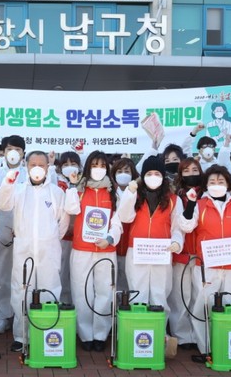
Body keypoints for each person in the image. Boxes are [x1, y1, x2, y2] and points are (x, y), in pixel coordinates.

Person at [179, 164, 231, 362]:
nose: (217, 185)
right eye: (212, 182)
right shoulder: (200, 205)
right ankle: (206, 349)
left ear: (229, 185)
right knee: (202, 306)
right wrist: (190, 204)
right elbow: (186, 226)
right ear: (206, 185)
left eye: (221, 182)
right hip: (207, 267)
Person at [0, 150, 69, 352]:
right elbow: (1, 203)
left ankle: (46, 332)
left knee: (50, 288)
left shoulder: (56, 192)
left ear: (48, 167)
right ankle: (22, 335)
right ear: (26, 166)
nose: (37, 168)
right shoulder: (18, 190)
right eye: (33, 164)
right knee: (21, 291)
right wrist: (7, 183)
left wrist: (49, 238)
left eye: (42, 164)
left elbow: (63, 222)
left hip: (49, 249)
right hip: (24, 248)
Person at [65, 150, 122, 352]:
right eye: (94, 165)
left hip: (106, 250)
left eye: (102, 166)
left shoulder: (113, 192)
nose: (98, 170)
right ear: (87, 167)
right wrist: (73, 185)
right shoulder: (79, 190)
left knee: (105, 291)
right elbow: (71, 209)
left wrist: (109, 238)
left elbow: (118, 221)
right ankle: (85, 334)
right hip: (82, 249)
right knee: (82, 291)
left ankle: (100, 334)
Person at [118, 156, 184, 318]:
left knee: (159, 294)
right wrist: (129, 193)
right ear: (143, 176)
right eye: (149, 173)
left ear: (163, 176)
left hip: (161, 252)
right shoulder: (136, 197)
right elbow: (125, 217)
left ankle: (159, 331)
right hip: (137, 251)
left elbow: (178, 227)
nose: (153, 177)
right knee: (137, 293)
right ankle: (137, 331)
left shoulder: (174, 200)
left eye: (157, 173)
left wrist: (177, 241)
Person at [0, 135, 27, 334]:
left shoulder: (31, 173)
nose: (14, 153)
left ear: (23, 153)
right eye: (10, 149)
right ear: (3, 152)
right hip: (1, 230)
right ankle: (2, 316)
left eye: (18, 150)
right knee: (1, 275)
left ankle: (23, 315)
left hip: (26, 232)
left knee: (24, 276)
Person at [168, 158, 204, 350]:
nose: (191, 173)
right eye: (186, 170)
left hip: (202, 254)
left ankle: (199, 334)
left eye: (195, 169)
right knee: (180, 296)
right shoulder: (175, 195)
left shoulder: (208, 194)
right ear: (180, 174)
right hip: (181, 252)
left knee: (199, 296)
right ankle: (182, 336)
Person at [56, 151, 83, 304]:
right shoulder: (56, 183)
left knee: (78, 275)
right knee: (61, 272)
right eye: (65, 164)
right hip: (62, 235)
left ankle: (76, 307)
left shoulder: (85, 183)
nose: (69, 167)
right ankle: (62, 304)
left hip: (81, 235)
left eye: (73, 164)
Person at [110, 157, 139, 293]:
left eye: (126, 171)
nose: (123, 174)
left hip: (131, 246)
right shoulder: (108, 193)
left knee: (130, 284)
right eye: (119, 171)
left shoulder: (139, 194)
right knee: (112, 283)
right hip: (112, 246)